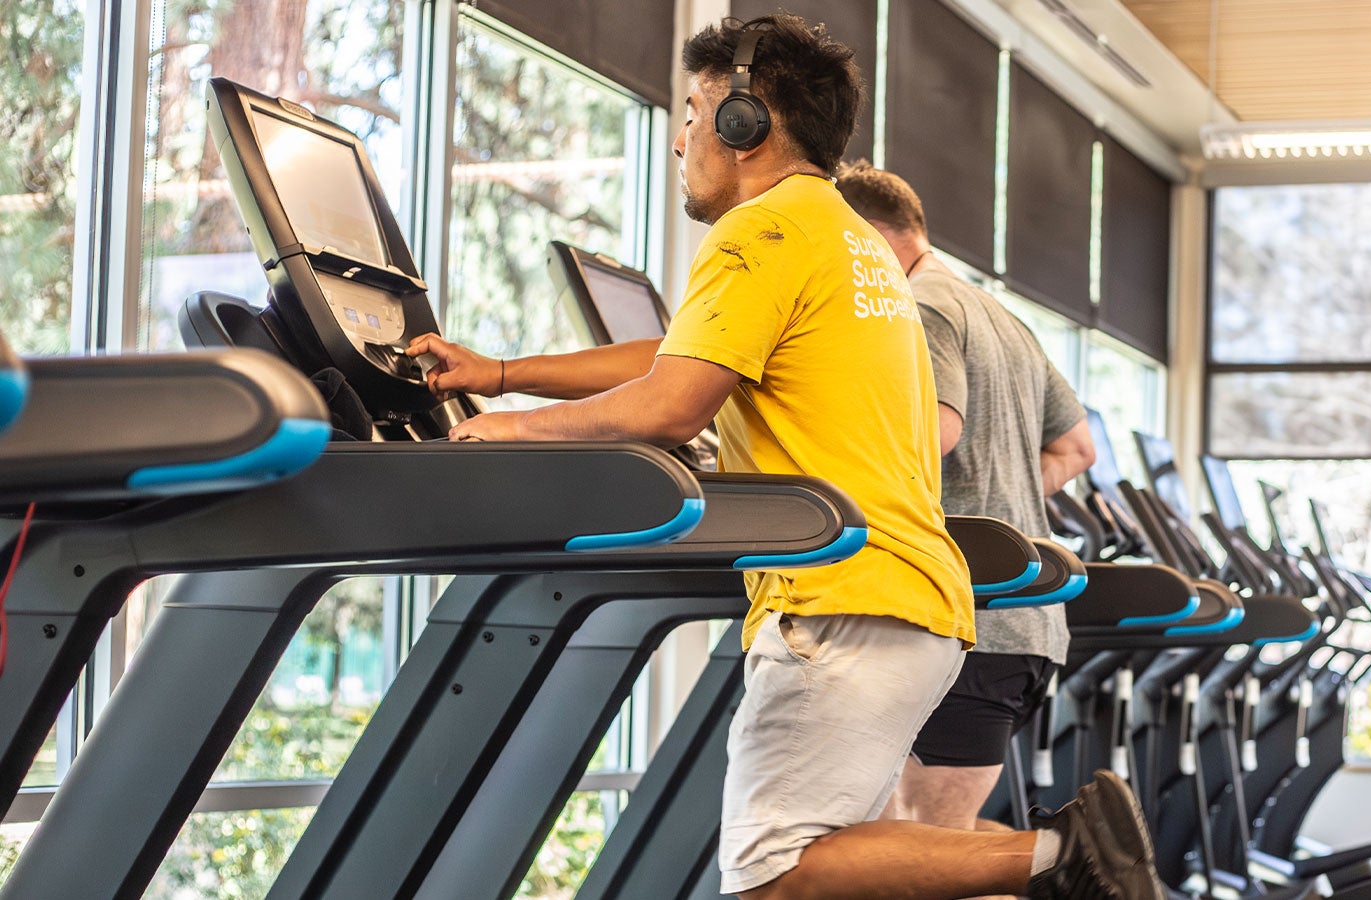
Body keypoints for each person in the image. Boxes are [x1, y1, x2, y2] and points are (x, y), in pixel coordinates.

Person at [406, 14, 1161, 900]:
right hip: (912, 600)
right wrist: (500, 373)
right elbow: (674, 356)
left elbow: (672, 401)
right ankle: (1059, 854)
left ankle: (1059, 855)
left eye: (694, 111)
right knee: (845, 869)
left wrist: (504, 428)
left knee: (776, 873)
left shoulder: (759, 232)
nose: (682, 136)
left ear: (744, 123)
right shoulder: (843, 238)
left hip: (841, 601)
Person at [835, 162, 1096, 858]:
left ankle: (1076, 866)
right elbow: (1075, 447)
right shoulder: (998, 315)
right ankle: (1067, 865)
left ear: (865, 239)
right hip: (1025, 629)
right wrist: (1000, 496)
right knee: (927, 846)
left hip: (968, 624)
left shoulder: (917, 306)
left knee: (926, 856)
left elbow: (937, 431)